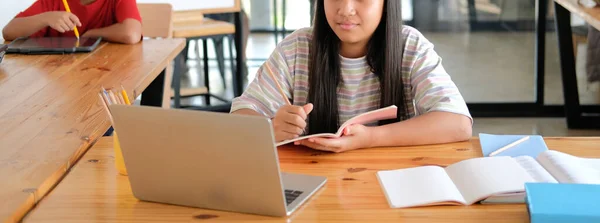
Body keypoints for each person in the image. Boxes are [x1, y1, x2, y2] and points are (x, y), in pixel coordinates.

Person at [230, 0, 473, 153]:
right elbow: (239, 119)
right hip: (313, 186)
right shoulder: (296, 49)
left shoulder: (409, 46)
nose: (345, 9)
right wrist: (270, 128)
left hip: (395, 182)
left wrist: (370, 138)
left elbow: (458, 124)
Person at [2, 0, 142, 44]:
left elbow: (131, 34)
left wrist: (91, 33)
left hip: (106, 78)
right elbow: (8, 31)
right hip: (60, 84)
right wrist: (45, 18)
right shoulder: (54, 1)